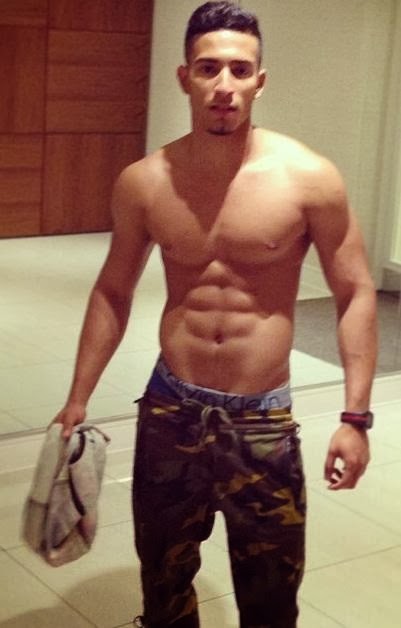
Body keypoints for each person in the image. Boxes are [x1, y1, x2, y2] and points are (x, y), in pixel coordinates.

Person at [53, 2, 377, 626]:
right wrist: (78, 397)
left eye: (239, 69)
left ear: (260, 80)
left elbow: (356, 291)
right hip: (170, 410)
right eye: (208, 69)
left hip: (261, 420)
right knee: (164, 584)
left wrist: (355, 417)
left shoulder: (309, 179)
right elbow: (113, 289)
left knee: (271, 599)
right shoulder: (144, 182)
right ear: (185, 78)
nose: (224, 85)